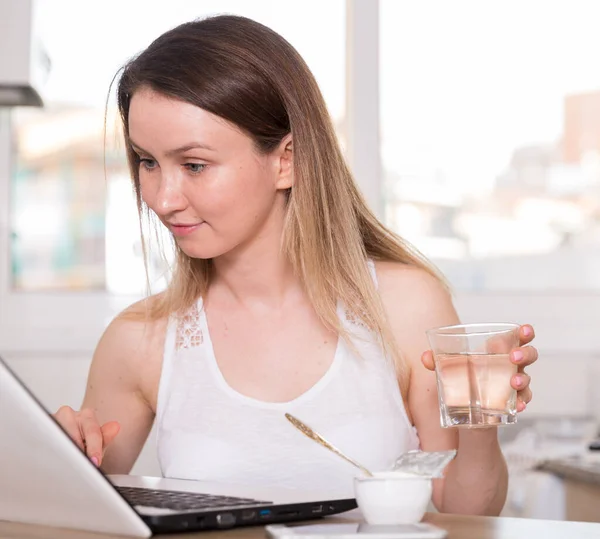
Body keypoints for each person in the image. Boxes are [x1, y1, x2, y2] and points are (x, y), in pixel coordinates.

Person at [53, 15, 538, 516]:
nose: (162, 197)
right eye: (147, 162)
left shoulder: (406, 306)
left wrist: (480, 423)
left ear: (287, 160)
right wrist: (57, 461)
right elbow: (81, 517)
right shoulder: (139, 339)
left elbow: (465, 511)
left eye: (193, 165)